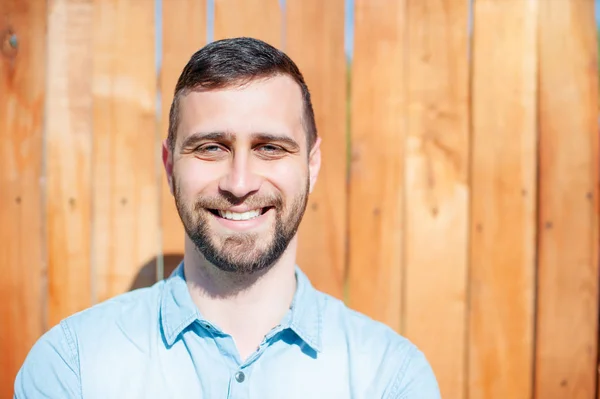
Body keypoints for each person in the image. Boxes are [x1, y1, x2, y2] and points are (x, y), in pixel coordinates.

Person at [14, 37, 440, 398]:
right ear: (169, 165)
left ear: (311, 165)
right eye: (210, 147)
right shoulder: (73, 368)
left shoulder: (389, 379)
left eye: (270, 147)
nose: (239, 184)